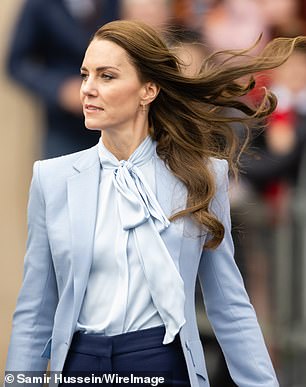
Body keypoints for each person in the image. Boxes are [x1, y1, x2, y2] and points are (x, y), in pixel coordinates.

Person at [5, 19, 305, 387]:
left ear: (148, 90)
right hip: (80, 368)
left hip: (164, 364)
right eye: (85, 75)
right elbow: (35, 312)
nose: (88, 89)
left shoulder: (203, 177)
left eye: (107, 76)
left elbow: (229, 307)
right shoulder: (51, 180)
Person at [7, 0, 119, 158]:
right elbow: (18, 63)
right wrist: (60, 88)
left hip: (117, 125)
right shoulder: (39, 5)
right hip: (64, 128)